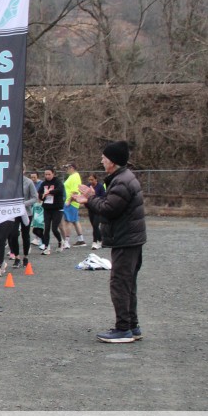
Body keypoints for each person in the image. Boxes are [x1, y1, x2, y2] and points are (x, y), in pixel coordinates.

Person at [73, 141, 146, 343]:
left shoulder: (121, 181)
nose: (102, 160)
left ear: (112, 161)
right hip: (130, 239)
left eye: (104, 158)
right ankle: (132, 326)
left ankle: (123, 329)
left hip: (126, 240)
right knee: (128, 283)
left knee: (120, 283)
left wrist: (88, 200)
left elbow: (109, 209)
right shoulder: (123, 178)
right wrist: (93, 195)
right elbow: (110, 203)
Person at [7, 170, 38, 268]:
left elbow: (35, 198)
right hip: (14, 212)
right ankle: (17, 257)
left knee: (25, 235)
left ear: (23, 171)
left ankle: (25, 256)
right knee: (13, 234)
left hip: (26, 212)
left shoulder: (28, 182)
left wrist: (23, 204)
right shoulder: (10, 182)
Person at [37, 167, 66, 254]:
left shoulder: (57, 182)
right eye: (46, 174)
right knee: (46, 228)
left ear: (53, 174)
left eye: (49, 174)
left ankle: (60, 241)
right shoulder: (43, 183)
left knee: (54, 228)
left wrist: (49, 192)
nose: (47, 176)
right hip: (47, 208)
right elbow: (40, 194)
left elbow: (60, 190)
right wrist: (43, 195)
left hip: (57, 208)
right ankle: (46, 247)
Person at [62, 162, 87, 248]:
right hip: (72, 202)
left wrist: (69, 201)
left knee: (67, 221)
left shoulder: (75, 177)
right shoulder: (72, 176)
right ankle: (81, 240)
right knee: (75, 221)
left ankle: (66, 241)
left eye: (67, 168)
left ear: (72, 168)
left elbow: (75, 191)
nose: (66, 170)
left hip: (71, 202)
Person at [85, 173, 106, 249]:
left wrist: (95, 197)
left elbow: (103, 197)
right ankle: (100, 240)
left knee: (95, 225)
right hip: (90, 208)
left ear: (96, 179)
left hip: (98, 208)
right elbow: (85, 196)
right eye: (89, 180)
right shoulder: (88, 186)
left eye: (92, 179)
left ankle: (94, 242)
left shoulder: (100, 186)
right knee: (94, 226)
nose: (90, 181)